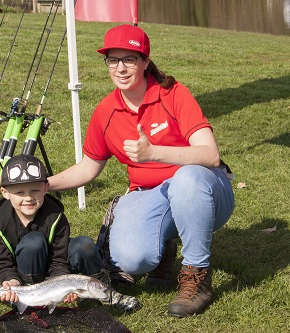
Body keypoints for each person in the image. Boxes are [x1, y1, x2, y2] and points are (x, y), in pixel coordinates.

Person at [47, 24, 235, 318]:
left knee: (187, 178)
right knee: (130, 259)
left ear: (145, 61)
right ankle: (163, 249)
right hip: (151, 196)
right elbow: (89, 166)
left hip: (207, 191)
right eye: (113, 60)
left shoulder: (173, 94)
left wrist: (154, 153)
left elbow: (211, 155)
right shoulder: (105, 111)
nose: (120, 68)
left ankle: (196, 275)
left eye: (129, 59)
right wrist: (44, 185)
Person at [0, 154, 139, 312]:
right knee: (34, 242)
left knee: (84, 245)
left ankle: (105, 293)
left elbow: (59, 260)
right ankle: (29, 298)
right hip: (27, 275)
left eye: (35, 190)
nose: (28, 198)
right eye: (20, 192)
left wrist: (66, 288)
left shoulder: (56, 216)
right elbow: (3, 263)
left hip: (55, 272)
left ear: (46, 188)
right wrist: (11, 281)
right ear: (5, 193)